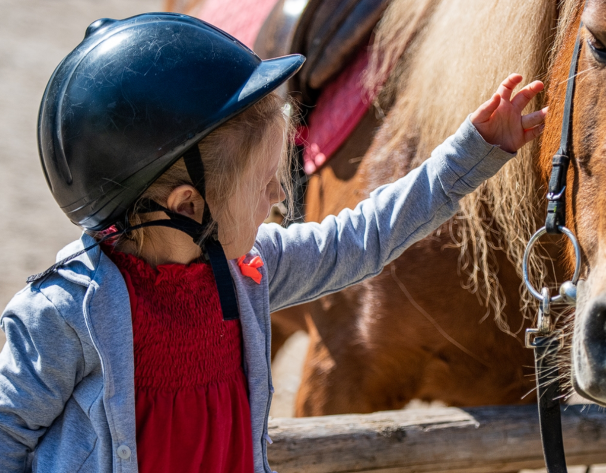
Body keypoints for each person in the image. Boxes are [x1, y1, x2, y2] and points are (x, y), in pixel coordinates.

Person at [0, 12, 547, 473]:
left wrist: (474, 152)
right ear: (188, 207)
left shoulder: (249, 270)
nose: (282, 196)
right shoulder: (63, 312)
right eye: (264, 183)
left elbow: (365, 236)